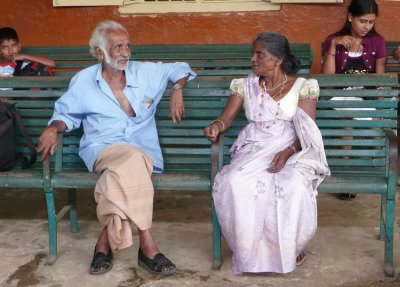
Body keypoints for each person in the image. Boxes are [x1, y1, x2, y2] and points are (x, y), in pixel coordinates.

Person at [37, 20, 196, 276]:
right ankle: (148, 245)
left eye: (128, 46)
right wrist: (52, 128)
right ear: (100, 53)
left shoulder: (145, 72)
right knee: (132, 160)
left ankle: (103, 245)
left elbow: (180, 68)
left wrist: (177, 88)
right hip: (103, 148)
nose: (125, 52)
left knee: (120, 174)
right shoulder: (83, 81)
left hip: (142, 152)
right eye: (118, 47)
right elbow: (65, 114)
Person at [204, 32, 330, 274]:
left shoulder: (303, 87)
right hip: (255, 146)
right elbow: (225, 118)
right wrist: (215, 127)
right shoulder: (244, 85)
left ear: (278, 59)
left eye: (259, 54)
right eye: (253, 53)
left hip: (294, 147)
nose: (253, 59)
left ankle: (291, 248)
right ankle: (248, 249)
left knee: (291, 184)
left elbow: (307, 131)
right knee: (235, 181)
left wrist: (287, 152)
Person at [322, 0, 386, 201]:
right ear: (350, 17)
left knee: (380, 125)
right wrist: (333, 46)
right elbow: (328, 80)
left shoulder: (378, 42)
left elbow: (380, 79)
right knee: (347, 128)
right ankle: (346, 179)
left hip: (366, 95)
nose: (367, 26)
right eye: (363, 21)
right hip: (339, 96)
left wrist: (380, 104)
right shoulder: (333, 39)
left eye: (371, 22)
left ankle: (379, 172)